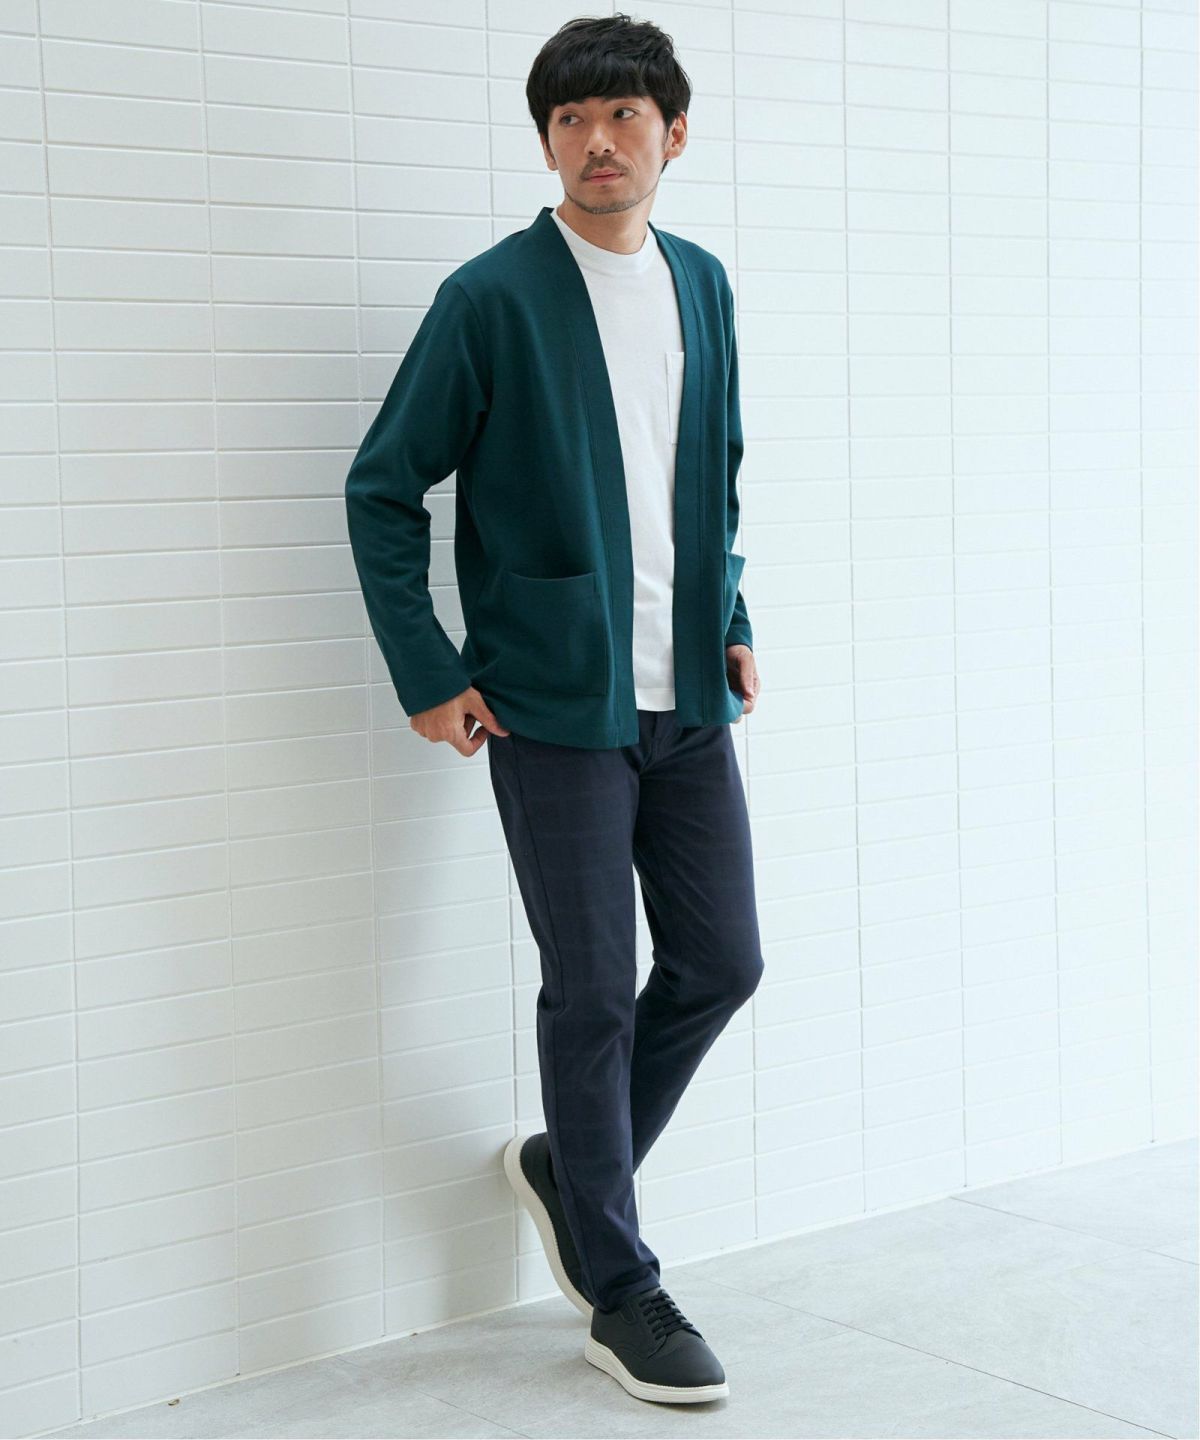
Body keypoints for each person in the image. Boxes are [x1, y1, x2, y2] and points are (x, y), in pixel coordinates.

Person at [344, 12, 764, 1406]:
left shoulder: (702, 283)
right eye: (571, 119)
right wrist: (429, 671)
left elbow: (710, 474)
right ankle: (620, 1289)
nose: (598, 140)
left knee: (721, 961)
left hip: (685, 696)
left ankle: (564, 1170)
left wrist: (733, 621)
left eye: (624, 115)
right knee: (590, 991)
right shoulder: (491, 298)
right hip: (549, 704)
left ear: (673, 135)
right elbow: (382, 487)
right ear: (546, 143)